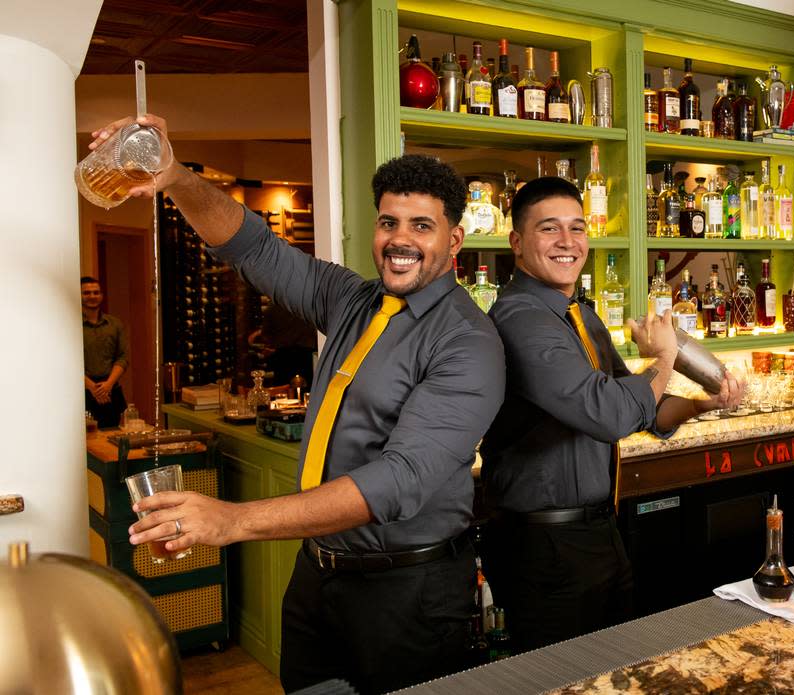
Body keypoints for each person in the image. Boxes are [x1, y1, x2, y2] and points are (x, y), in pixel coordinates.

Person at [100, 115, 506, 693]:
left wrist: (234, 520)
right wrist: (174, 176)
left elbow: (399, 480)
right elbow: (254, 246)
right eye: (389, 222)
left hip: (408, 593)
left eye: (422, 225)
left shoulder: (468, 342)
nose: (400, 239)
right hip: (318, 576)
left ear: (454, 240)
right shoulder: (350, 298)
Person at [479, 176, 743, 653]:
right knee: (562, 681)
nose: (568, 242)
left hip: (597, 534)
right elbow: (608, 414)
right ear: (516, 242)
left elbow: (645, 408)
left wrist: (707, 403)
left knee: (613, 672)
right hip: (545, 546)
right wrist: (663, 359)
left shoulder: (580, 314)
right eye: (549, 229)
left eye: (577, 228)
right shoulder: (520, 320)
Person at [81, 276, 129, 428]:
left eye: (96, 292)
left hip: (111, 389)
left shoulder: (114, 324)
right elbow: (65, 363)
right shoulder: (69, 325)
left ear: (101, 296)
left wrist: (108, 385)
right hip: (82, 391)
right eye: (87, 293)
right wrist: (92, 388)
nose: (92, 296)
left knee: (113, 437)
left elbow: (123, 357)